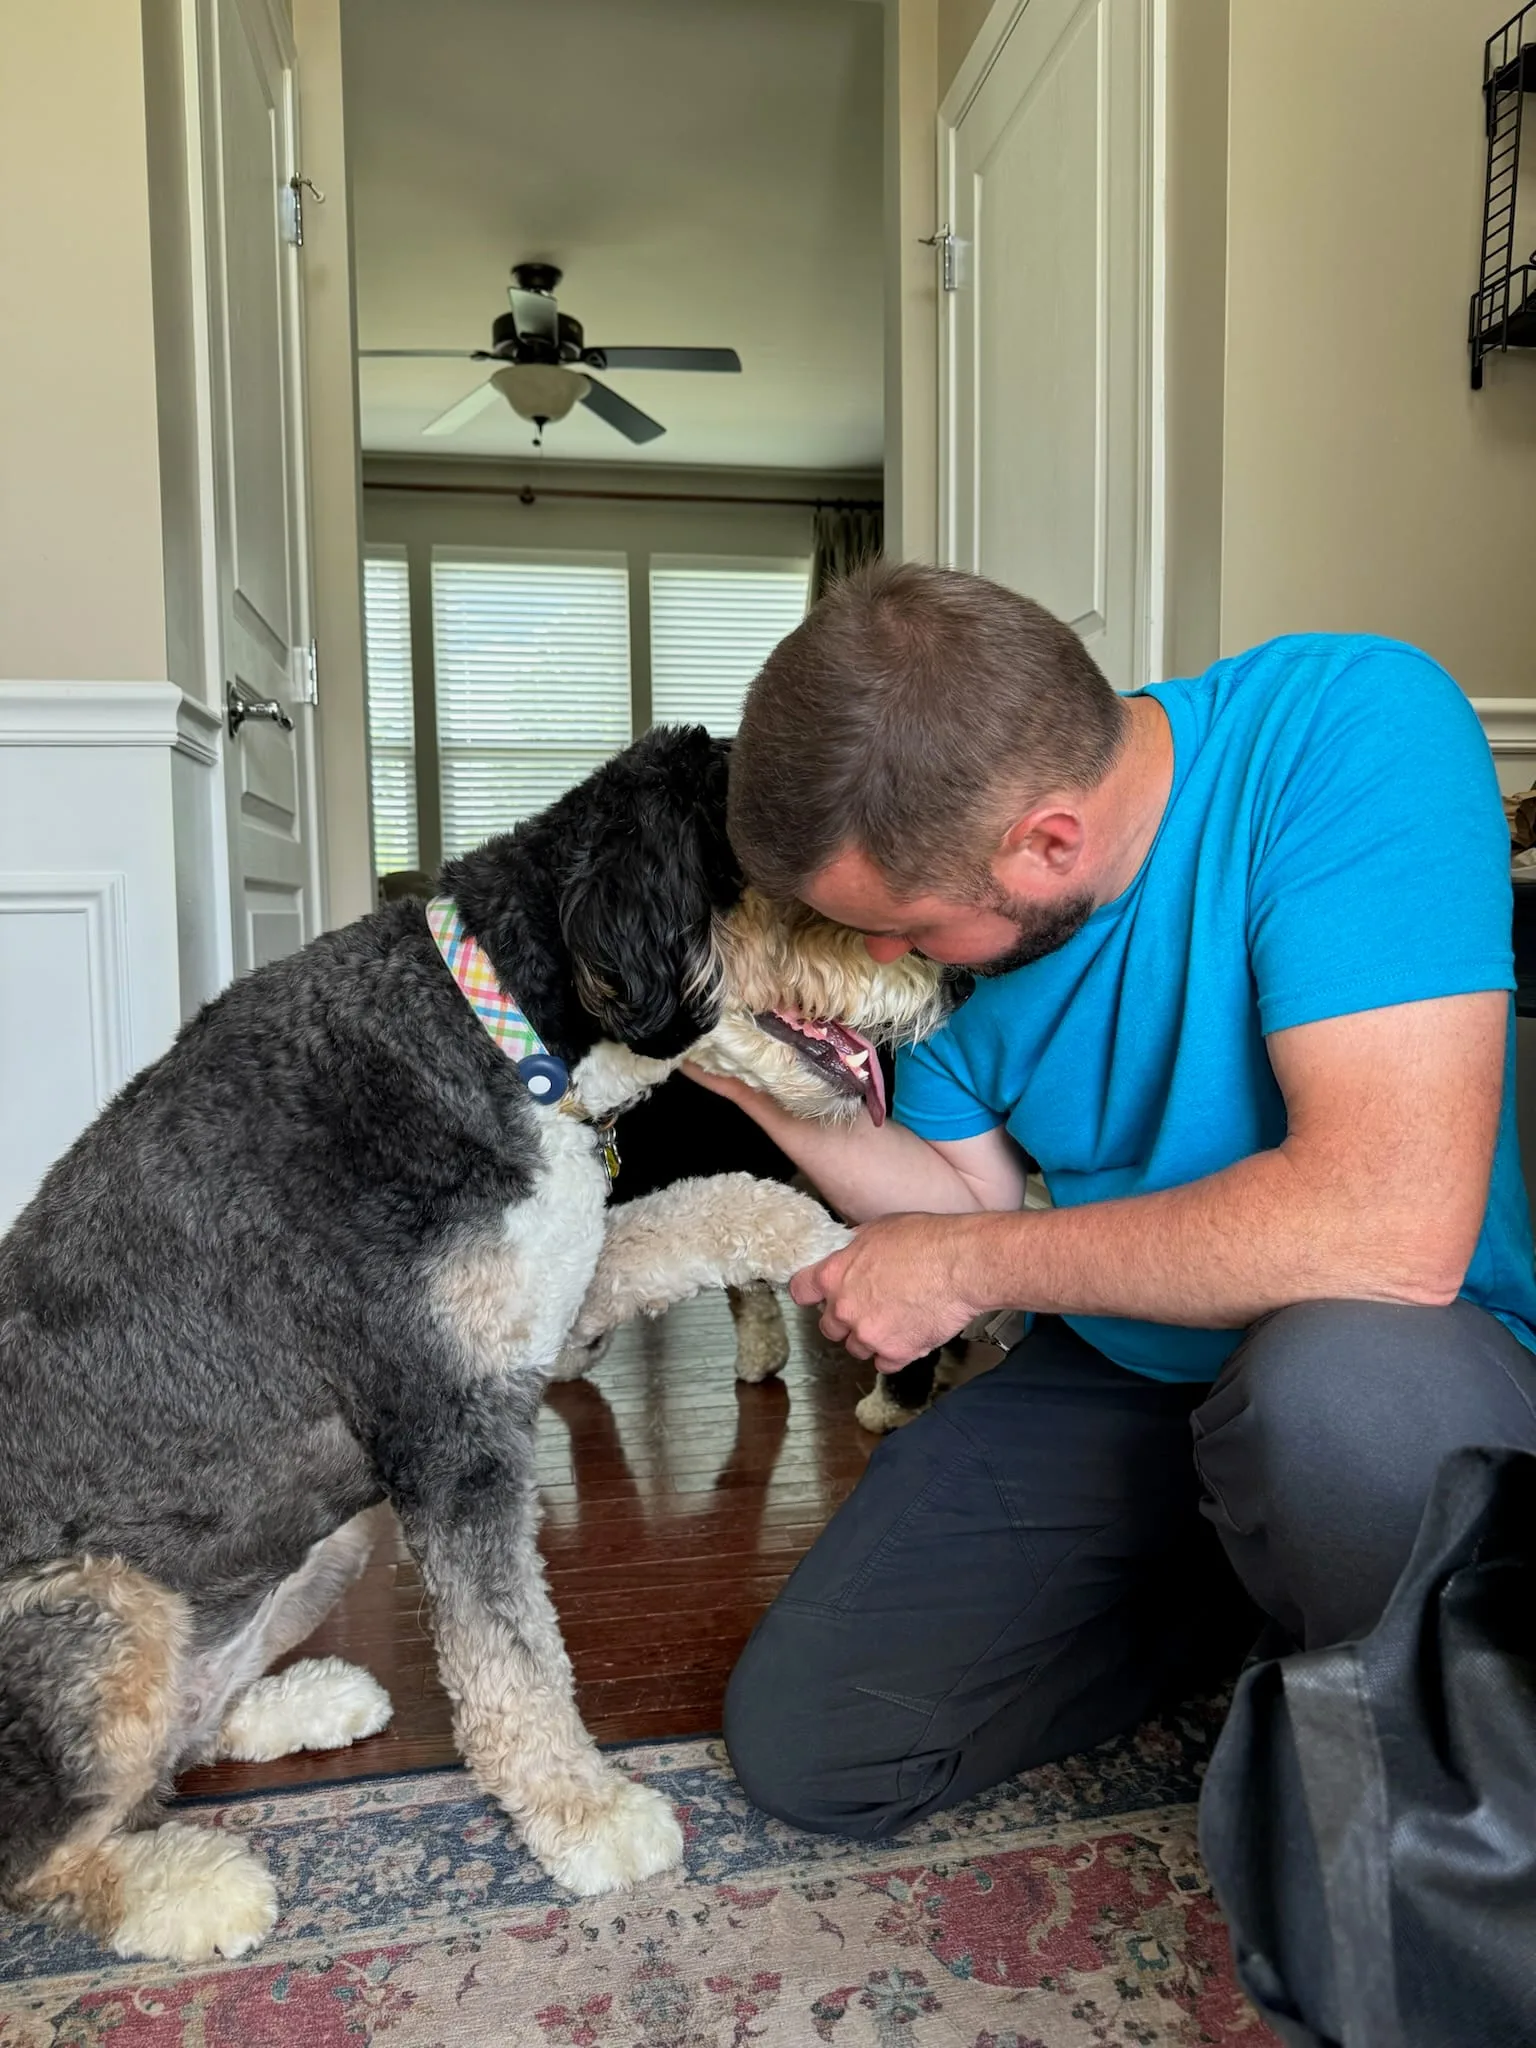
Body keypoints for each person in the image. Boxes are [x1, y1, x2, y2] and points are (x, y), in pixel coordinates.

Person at [686, 559, 1536, 1843]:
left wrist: (966, 1268)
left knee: (1330, 1404)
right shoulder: (971, 950)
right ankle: (1252, 1588)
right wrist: (740, 1069)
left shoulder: (1350, 727)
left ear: (1048, 841)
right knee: (815, 1741)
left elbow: (1387, 1227)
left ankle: (1395, 1715)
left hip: (1393, 1359)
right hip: (1129, 1373)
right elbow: (955, 1196)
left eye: (909, 926)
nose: (883, 957)